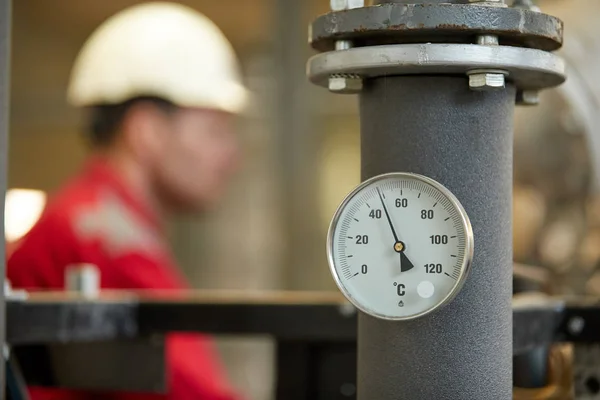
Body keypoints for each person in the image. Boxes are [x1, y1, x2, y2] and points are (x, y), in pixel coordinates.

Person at [7, 3, 247, 400]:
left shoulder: (92, 220)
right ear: (146, 130)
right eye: (214, 130)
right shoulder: (103, 237)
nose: (230, 156)